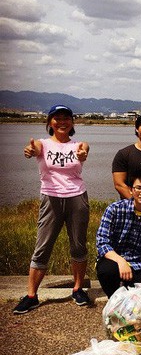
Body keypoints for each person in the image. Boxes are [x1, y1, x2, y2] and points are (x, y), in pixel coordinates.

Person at [14, 105, 91, 314]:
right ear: (50, 122)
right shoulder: (42, 144)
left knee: (78, 246)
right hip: (50, 198)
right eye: (57, 118)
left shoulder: (79, 144)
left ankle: (78, 289)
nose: (62, 122)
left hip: (77, 197)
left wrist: (82, 155)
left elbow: (83, 153)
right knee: (43, 247)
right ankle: (31, 296)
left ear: (72, 123)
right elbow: (34, 149)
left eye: (67, 118)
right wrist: (29, 151)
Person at [96, 171, 141, 297]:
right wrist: (121, 261)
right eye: (139, 188)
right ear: (131, 189)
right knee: (107, 271)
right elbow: (102, 242)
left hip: (140, 265)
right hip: (114, 260)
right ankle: (114, 300)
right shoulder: (114, 209)